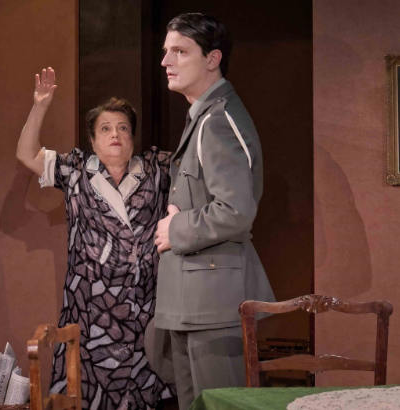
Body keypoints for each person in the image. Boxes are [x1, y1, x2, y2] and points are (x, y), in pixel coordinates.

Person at [17, 67, 172, 409]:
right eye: (105, 128)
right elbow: (27, 154)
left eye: (123, 128)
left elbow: (196, 175)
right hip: (90, 313)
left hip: (143, 309)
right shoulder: (76, 171)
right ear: (92, 140)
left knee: (142, 396)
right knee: (87, 396)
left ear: (133, 137)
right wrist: (40, 106)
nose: (115, 134)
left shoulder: (156, 170)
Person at [152, 13, 275, 410]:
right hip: (194, 300)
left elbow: (236, 210)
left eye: (179, 51)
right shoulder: (204, 116)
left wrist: (176, 228)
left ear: (212, 58)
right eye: (166, 51)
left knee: (221, 404)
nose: (166, 61)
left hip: (213, 301)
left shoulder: (218, 120)